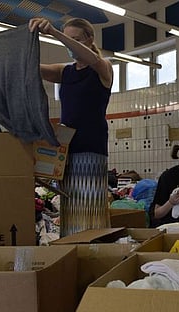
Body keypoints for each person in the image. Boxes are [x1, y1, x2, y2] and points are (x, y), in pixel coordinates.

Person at [28, 17, 113, 237]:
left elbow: (93, 59)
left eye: (74, 39)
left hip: (91, 148)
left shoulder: (103, 69)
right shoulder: (64, 72)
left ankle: (95, 251)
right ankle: (73, 251)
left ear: (89, 39)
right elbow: (28, 68)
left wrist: (56, 33)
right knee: (70, 208)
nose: (69, 44)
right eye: (67, 39)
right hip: (66, 150)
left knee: (90, 209)